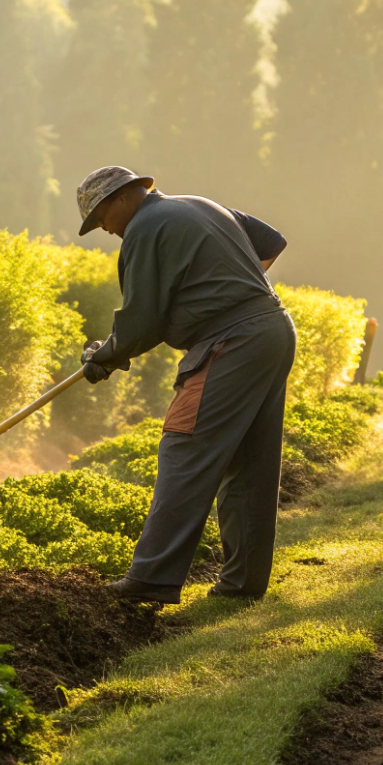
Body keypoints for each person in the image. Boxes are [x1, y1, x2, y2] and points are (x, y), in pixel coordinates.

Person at [75, 165, 296, 604]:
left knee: (184, 449)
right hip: (271, 329)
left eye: (100, 216)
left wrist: (104, 356)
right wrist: (224, 292)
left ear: (123, 196)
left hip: (231, 344)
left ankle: (153, 578)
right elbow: (270, 244)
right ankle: (241, 585)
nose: (103, 228)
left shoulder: (144, 228)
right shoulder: (199, 206)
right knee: (249, 464)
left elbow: (141, 320)